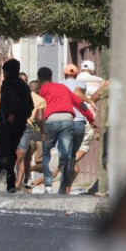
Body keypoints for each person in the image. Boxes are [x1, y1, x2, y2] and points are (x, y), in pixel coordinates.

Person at [37, 66, 96, 194]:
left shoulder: (42, 89)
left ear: (39, 79)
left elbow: (38, 106)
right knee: (67, 153)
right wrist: (90, 119)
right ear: (51, 77)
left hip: (50, 120)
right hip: (68, 119)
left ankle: (47, 185)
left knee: (47, 153)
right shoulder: (62, 88)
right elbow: (79, 103)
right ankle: (60, 156)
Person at [0, 59, 34, 193]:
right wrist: (21, 117)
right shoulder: (24, 86)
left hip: (7, 123)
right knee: (12, 153)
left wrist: (10, 115)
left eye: (4, 72)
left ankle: (3, 174)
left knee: (3, 150)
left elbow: (8, 102)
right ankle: (10, 183)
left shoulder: (8, 85)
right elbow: (30, 105)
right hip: (21, 124)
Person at [16, 80, 45, 190]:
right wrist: (42, 132)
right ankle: (15, 176)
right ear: (39, 90)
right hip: (28, 127)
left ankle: (20, 181)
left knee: (23, 154)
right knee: (22, 152)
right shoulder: (40, 100)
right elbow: (41, 118)